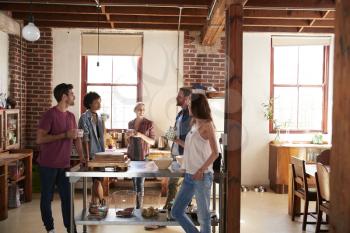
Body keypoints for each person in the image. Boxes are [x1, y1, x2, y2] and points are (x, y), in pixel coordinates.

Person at [36, 83, 85, 233]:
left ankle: (71, 228)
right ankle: (50, 229)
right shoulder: (50, 114)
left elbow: (76, 139)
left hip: (64, 165)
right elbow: (40, 139)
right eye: (72, 94)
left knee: (67, 199)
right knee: (47, 198)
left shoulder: (71, 116)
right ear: (64, 97)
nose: (74, 96)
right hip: (47, 165)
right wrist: (64, 135)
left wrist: (83, 157)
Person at [145, 87, 192, 231]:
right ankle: (172, 213)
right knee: (175, 185)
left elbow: (190, 139)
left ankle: (169, 215)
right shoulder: (180, 114)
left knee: (177, 185)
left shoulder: (190, 116)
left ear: (187, 98)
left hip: (186, 157)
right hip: (176, 155)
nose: (177, 98)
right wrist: (170, 134)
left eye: (179, 96)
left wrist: (175, 139)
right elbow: (176, 131)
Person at [171, 93, 219, 233]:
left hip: (202, 177)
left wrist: (200, 170)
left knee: (204, 219)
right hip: (189, 176)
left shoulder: (207, 125)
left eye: (190, 103)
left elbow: (215, 152)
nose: (188, 105)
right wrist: (175, 139)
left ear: (197, 106)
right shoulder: (195, 123)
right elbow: (190, 146)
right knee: (176, 211)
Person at [126, 102, 156, 208]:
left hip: (143, 157)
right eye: (139, 109)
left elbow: (152, 142)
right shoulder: (130, 123)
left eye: (143, 109)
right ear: (135, 110)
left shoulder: (149, 123)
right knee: (134, 183)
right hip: (132, 156)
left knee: (140, 183)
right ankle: (137, 205)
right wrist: (128, 137)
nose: (141, 111)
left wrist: (140, 135)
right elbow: (128, 141)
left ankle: (139, 207)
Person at [78, 92, 105, 205]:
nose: (99, 104)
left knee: (98, 179)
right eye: (96, 102)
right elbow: (85, 138)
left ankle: (94, 203)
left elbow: (102, 136)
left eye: (100, 101)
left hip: (100, 154)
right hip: (92, 154)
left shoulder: (99, 117)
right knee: (97, 179)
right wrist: (87, 157)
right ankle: (100, 202)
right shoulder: (84, 117)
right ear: (90, 104)